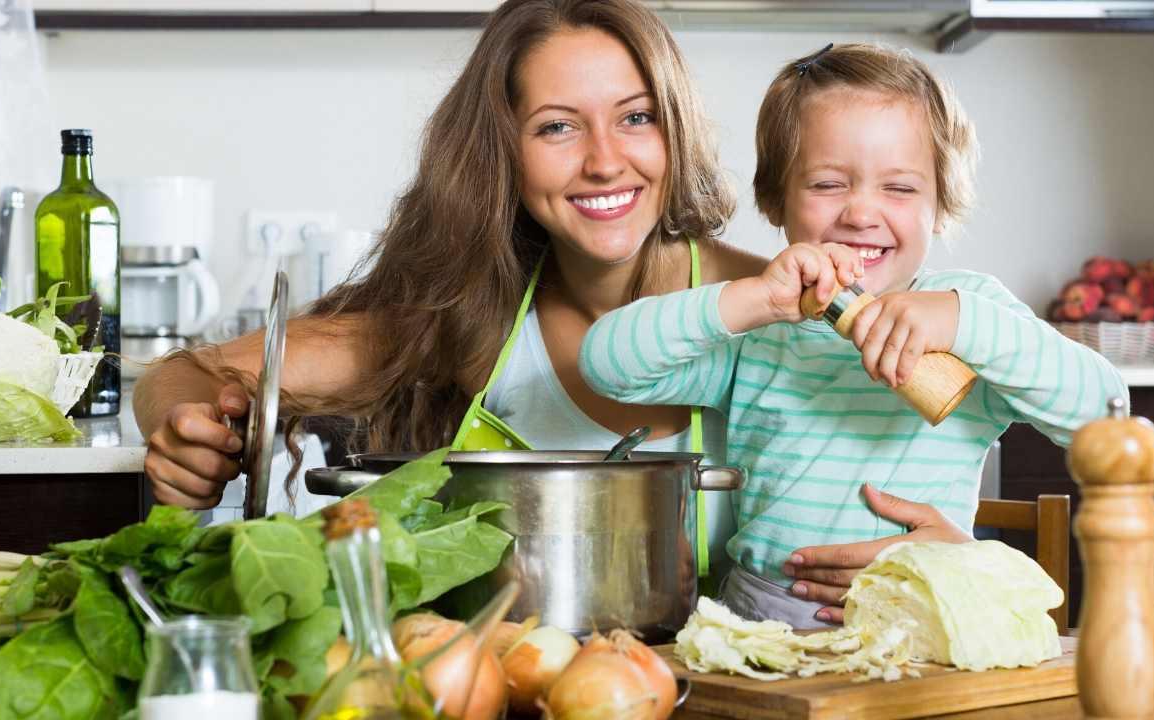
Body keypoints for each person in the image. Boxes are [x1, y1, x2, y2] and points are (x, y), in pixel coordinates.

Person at [132, 0, 777, 585]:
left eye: (636, 117)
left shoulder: (769, 308)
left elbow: (871, 470)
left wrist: (882, 551)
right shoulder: (466, 312)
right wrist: (187, 431)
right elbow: (187, 373)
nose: (605, 160)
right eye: (558, 128)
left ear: (676, 130)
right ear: (502, 152)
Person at [578, 42, 1128, 627]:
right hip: (760, 619)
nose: (862, 214)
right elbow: (608, 365)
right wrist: (752, 298)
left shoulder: (969, 317)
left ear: (940, 202)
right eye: (828, 184)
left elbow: (1105, 418)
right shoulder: (765, 331)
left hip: (922, 616)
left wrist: (967, 321)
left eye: (899, 188)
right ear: (775, 200)